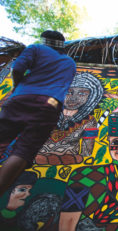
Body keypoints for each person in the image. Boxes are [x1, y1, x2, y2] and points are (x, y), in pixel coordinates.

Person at [0, 30, 76, 197]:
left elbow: (17, 68)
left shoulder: (36, 49)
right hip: (50, 104)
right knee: (24, 151)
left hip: (21, 98)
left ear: (45, 41)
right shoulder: (70, 63)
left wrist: (17, 86)